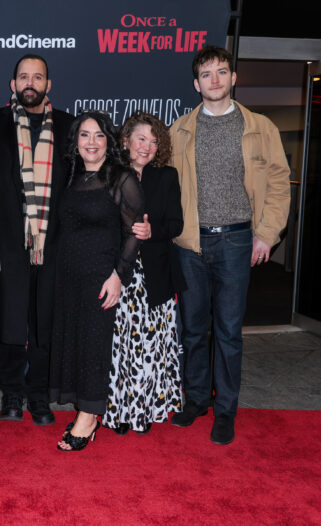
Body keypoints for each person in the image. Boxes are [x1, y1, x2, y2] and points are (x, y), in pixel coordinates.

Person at [169, 46, 291, 445]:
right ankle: (197, 400)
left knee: (228, 331)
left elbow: (277, 185)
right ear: (196, 83)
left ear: (233, 78)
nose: (215, 80)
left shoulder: (260, 127)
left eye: (222, 72)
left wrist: (266, 234)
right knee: (191, 329)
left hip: (239, 240)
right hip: (191, 242)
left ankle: (226, 410)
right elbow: (166, 186)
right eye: (207, 74)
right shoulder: (180, 129)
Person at [0, 54, 73, 426]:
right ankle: (11, 393)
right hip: (8, 243)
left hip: (53, 244)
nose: (30, 83)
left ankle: (38, 396)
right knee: (10, 325)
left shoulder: (70, 126)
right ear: (13, 84)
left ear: (48, 85)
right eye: (24, 77)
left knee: (44, 326)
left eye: (38, 77)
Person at [49, 111, 144, 450]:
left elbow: (135, 233)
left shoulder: (121, 178)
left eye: (99, 135)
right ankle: (83, 410)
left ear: (109, 141)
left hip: (100, 276)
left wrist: (118, 275)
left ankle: (89, 418)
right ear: (75, 141)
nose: (92, 142)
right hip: (68, 275)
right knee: (75, 343)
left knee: (93, 347)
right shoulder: (72, 176)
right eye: (85, 135)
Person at [101, 111, 186, 436]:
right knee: (117, 349)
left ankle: (142, 411)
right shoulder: (110, 175)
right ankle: (117, 412)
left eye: (153, 141)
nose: (147, 147)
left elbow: (176, 224)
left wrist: (154, 231)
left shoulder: (166, 176)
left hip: (153, 277)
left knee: (148, 352)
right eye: (141, 139)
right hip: (115, 275)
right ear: (125, 141)